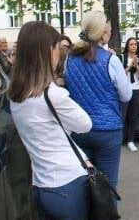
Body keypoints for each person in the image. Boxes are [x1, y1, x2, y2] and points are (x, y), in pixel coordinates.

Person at [8, 21, 92, 219]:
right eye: (57, 48)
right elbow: (85, 124)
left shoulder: (15, 94)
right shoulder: (52, 95)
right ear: (49, 50)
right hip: (67, 184)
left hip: (40, 184)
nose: (60, 53)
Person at [65, 11, 133, 189]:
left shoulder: (69, 59)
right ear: (103, 34)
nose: (110, 33)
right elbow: (126, 95)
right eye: (109, 30)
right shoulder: (111, 60)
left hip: (79, 129)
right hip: (107, 131)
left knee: (85, 181)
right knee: (107, 185)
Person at [122, 37, 139, 152]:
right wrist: (131, 65)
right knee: (123, 116)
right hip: (124, 89)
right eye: (131, 44)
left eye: (135, 44)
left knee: (133, 116)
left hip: (136, 89)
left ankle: (131, 141)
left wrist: (136, 66)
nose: (134, 46)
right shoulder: (122, 58)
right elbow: (121, 75)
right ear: (127, 46)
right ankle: (121, 139)